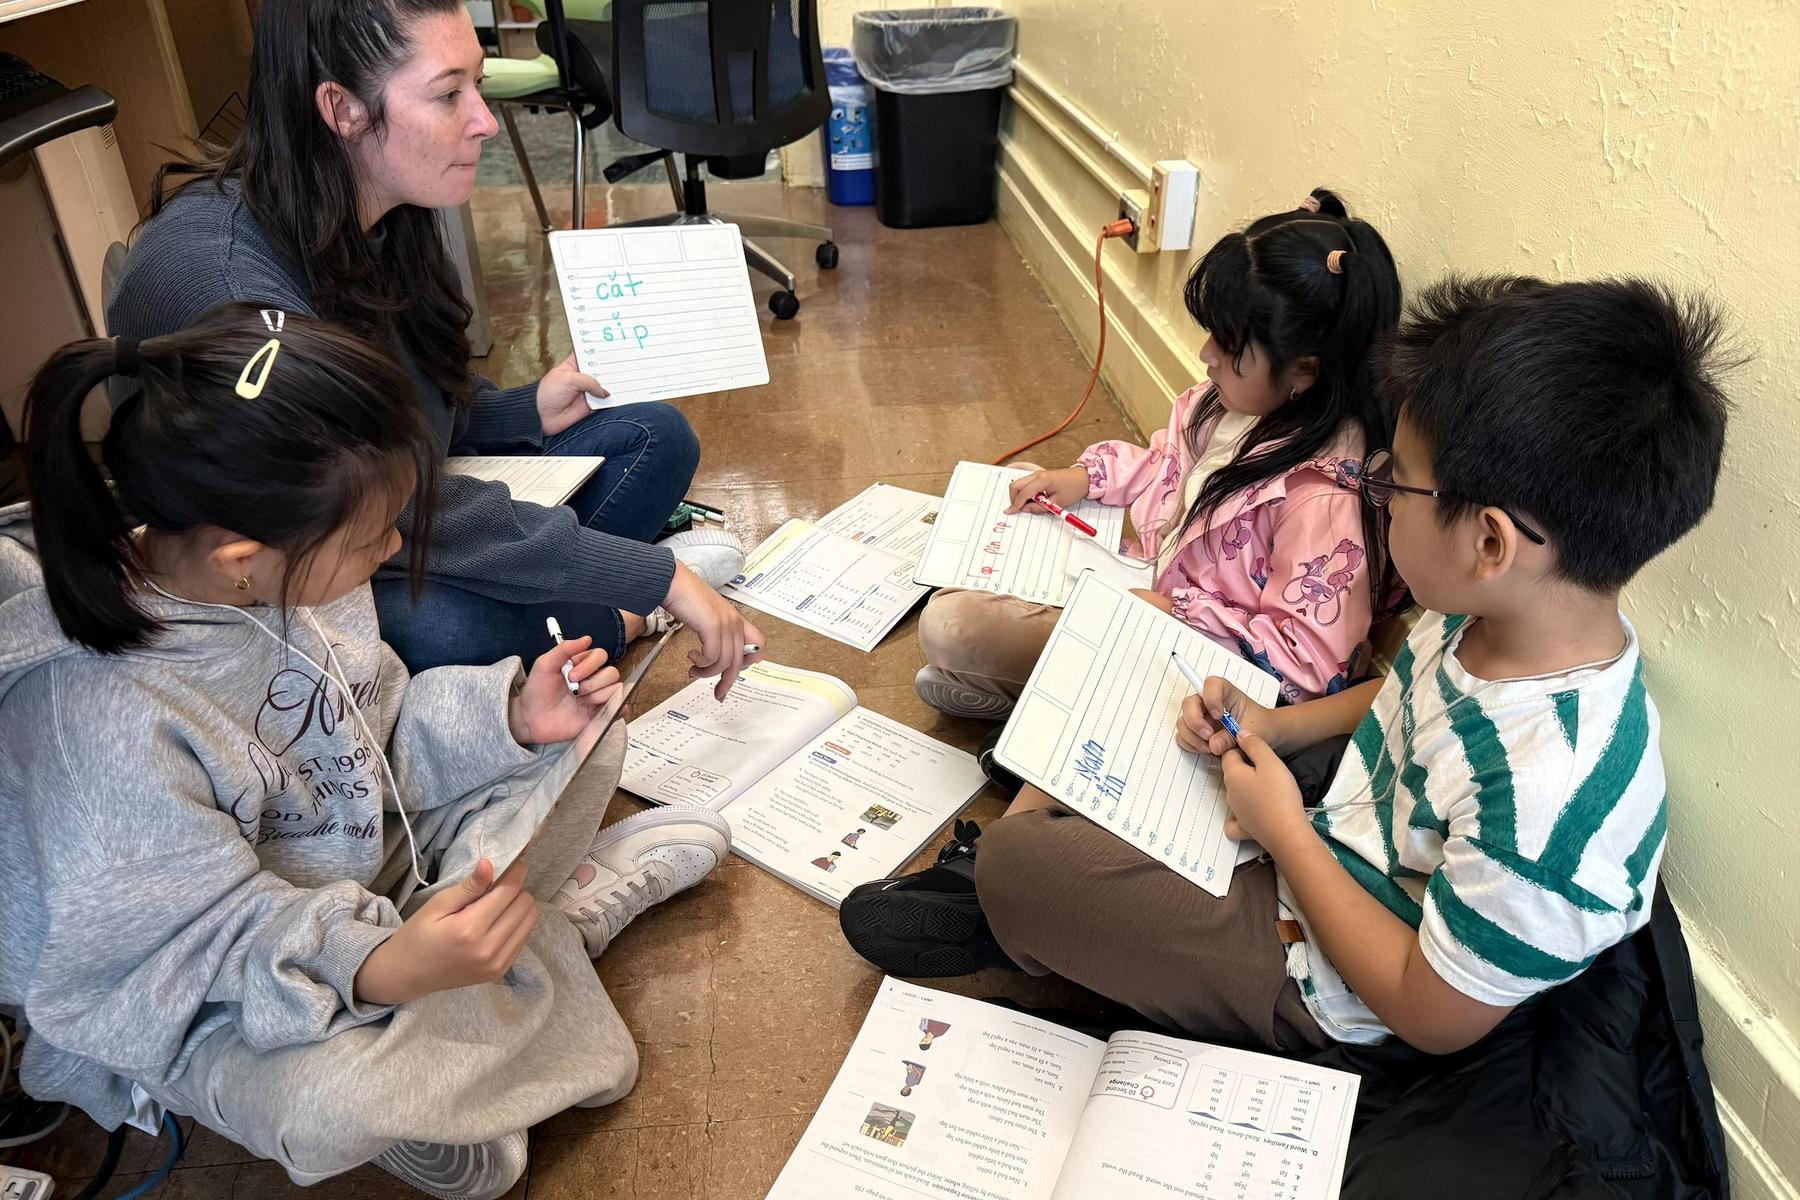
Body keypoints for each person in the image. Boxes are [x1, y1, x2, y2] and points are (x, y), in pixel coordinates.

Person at [842, 276, 1730, 1057]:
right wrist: (1274, 725)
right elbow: (1397, 696)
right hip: (1331, 827)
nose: (1378, 498)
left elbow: (1430, 1014)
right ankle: (1059, 855)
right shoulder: (1495, 616)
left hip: (1323, 978)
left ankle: (1011, 900)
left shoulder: (1551, 796)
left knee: (1019, 865)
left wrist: (1287, 836)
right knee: (1139, 688)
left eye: (1393, 483)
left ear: (1490, 542)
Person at [0, 306, 742, 1199]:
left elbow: (372, 741)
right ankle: (541, 943)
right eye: (370, 539)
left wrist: (510, 717)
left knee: (589, 734)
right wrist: (378, 967)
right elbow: (181, 953)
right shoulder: (99, 714)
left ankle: (481, 995)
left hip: (351, 866)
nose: (392, 551)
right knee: (328, 1106)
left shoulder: (288, 576)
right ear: (240, 558)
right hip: (209, 978)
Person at [106, 0, 756, 683]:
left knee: (656, 436)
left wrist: (522, 410)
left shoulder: (383, 209)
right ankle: (616, 614)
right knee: (441, 628)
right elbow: (380, 502)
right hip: (317, 548)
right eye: (448, 94)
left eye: (478, 83)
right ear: (342, 109)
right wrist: (656, 578)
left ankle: (566, 603)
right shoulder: (233, 284)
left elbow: (412, 401)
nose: (485, 121)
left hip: (389, 507)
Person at [914, 188, 1404, 719]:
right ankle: (1008, 679)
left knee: (951, 627)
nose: (1206, 354)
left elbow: (1306, 668)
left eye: (1227, 345)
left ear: (1304, 370)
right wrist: (1085, 477)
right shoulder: (1235, 403)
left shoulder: (1323, 500)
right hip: (1145, 575)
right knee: (1023, 479)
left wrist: (1173, 612)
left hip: (1183, 645)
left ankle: (1019, 688)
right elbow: (1167, 467)